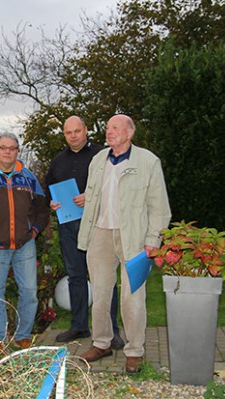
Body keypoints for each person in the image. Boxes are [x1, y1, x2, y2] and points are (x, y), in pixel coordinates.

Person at [78, 115, 171, 373]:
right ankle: (101, 342)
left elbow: (159, 208)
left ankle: (134, 351)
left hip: (135, 238)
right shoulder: (98, 160)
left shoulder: (148, 161)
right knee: (100, 294)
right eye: (107, 127)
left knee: (133, 297)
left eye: (115, 127)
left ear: (130, 133)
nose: (109, 132)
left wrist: (153, 240)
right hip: (100, 234)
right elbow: (93, 197)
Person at [45, 116, 124, 349]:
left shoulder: (103, 155)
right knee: (76, 276)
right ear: (64, 134)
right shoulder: (58, 161)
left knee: (104, 277)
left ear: (86, 130)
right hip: (69, 226)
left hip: (99, 224)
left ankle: (111, 331)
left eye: (77, 131)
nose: (73, 136)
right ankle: (79, 325)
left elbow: (116, 187)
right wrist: (52, 202)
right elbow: (48, 189)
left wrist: (91, 197)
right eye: (68, 132)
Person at [0, 132, 50, 351]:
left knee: (29, 290)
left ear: (17, 151)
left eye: (12, 148)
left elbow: (42, 209)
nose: (7, 151)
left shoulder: (28, 178)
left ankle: (22, 335)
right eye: (3, 147)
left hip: (24, 245)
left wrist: (34, 231)